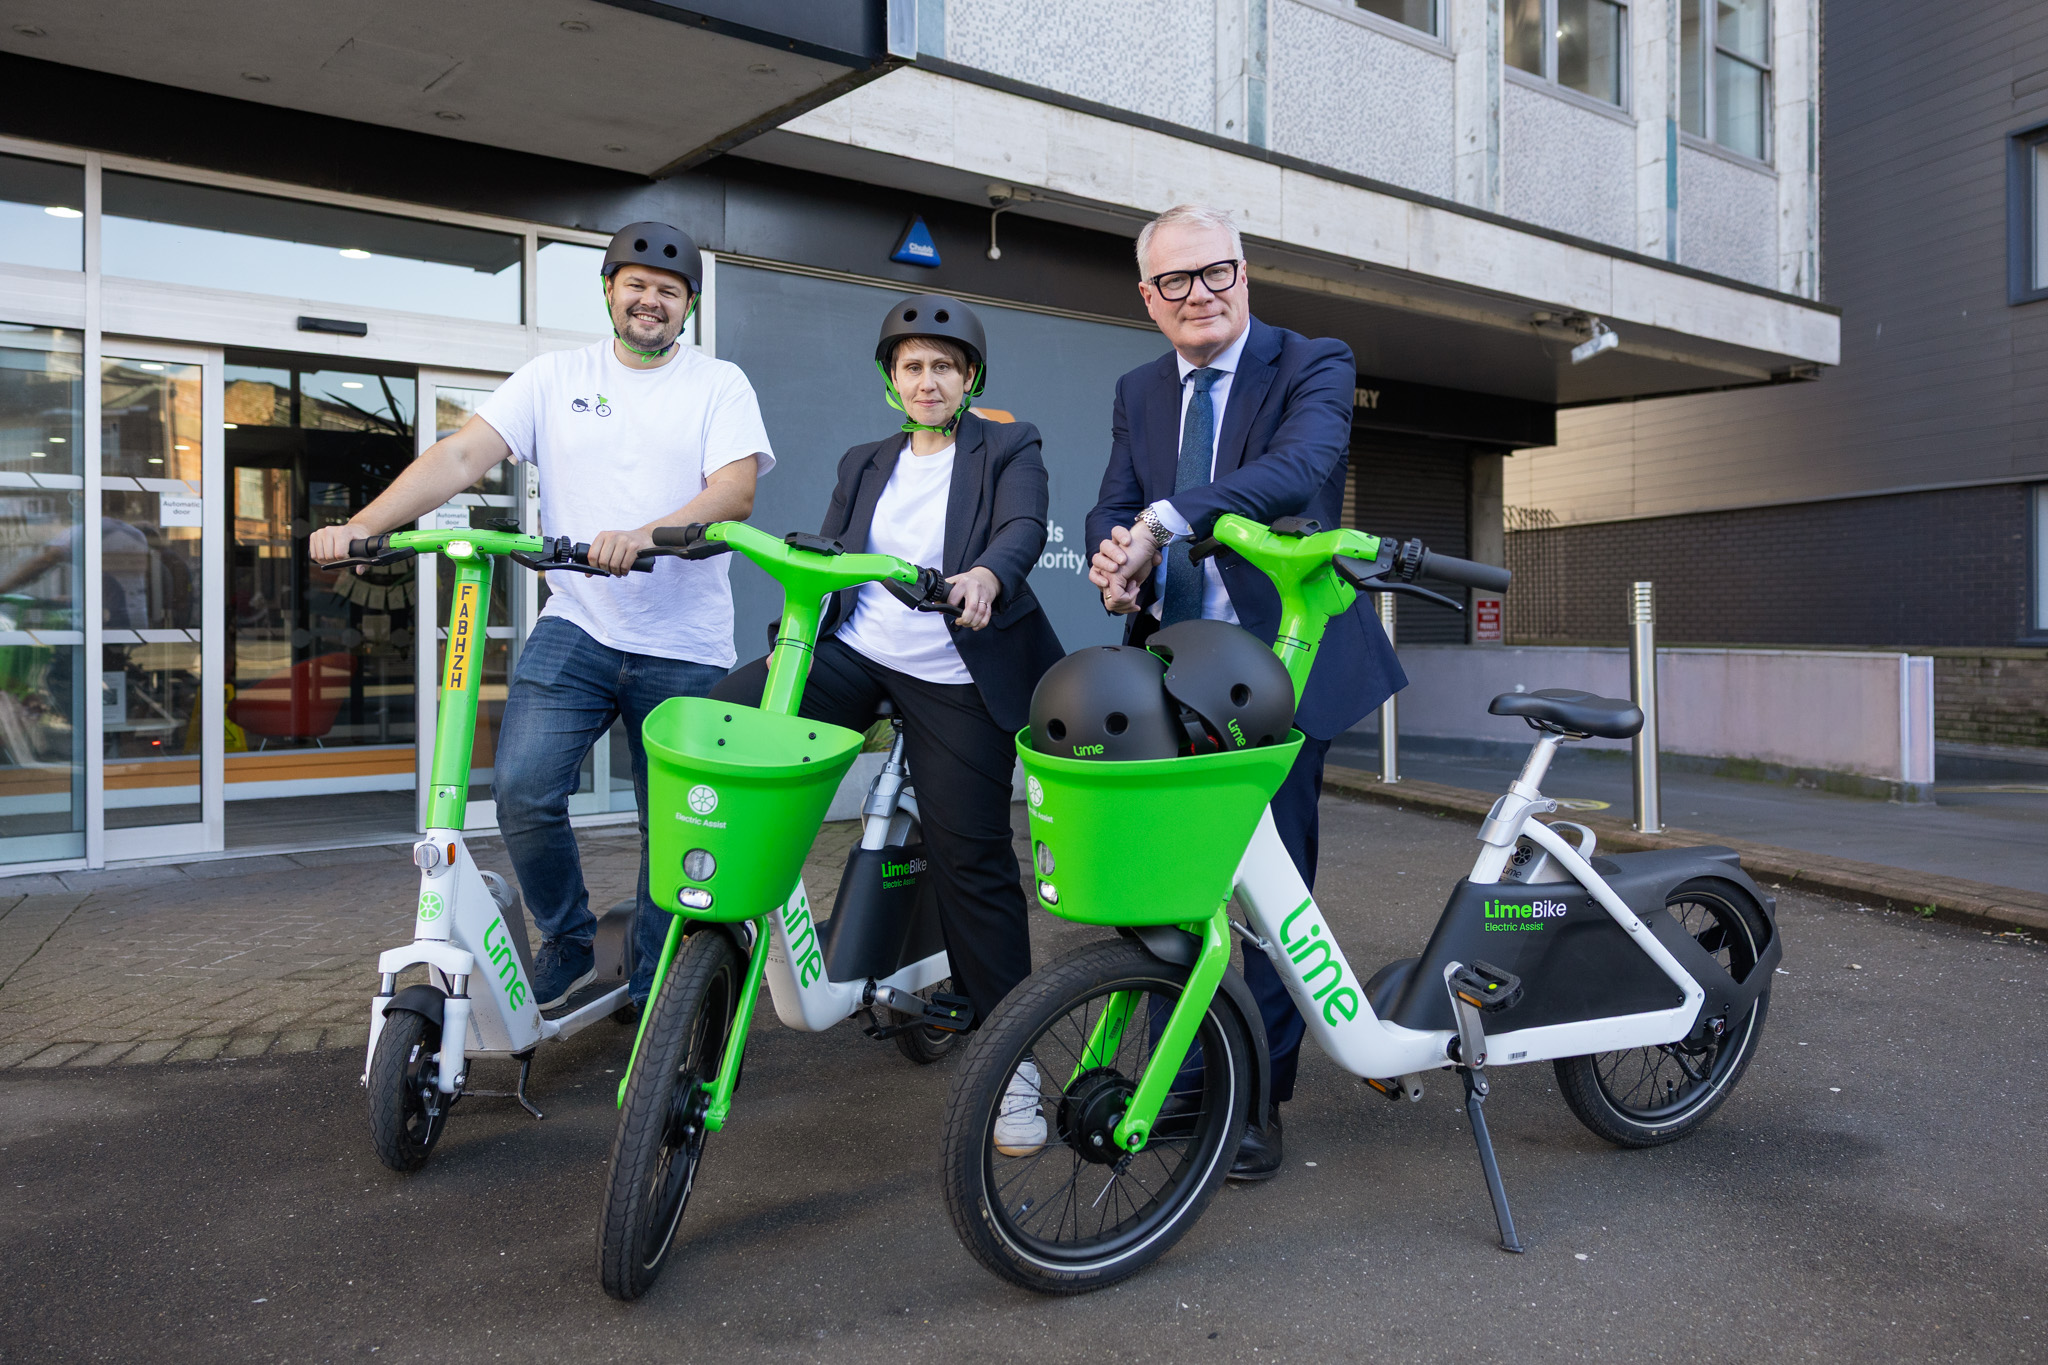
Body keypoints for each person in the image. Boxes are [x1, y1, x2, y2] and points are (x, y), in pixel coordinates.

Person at [309, 222, 773, 1012]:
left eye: (668, 290)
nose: (650, 300)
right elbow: (460, 456)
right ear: (608, 291)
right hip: (581, 624)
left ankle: (656, 980)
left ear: (687, 305)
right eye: (636, 285)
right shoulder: (554, 376)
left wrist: (647, 535)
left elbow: (733, 492)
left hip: (684, 643)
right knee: (522, 787)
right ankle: (567, 936)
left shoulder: (718, 383)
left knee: (671, 826)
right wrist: (368, 525)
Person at [1086, 203, 1405, 1180]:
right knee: (1161, 886)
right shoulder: (1138, 388)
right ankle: (1174, 1084)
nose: (1200, 295)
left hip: (1281, 660)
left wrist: (1169, 519)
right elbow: (1113, 501)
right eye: (1175, 281)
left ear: (1244, 272)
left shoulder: (1313, 362)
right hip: (1167, 666)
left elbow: (1301, 469)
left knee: (1265, 894)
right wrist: (1112, 559)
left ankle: (1254, 1100)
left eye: (1215, 271)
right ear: (1148, 299)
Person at [712, 293, 1062, 1153]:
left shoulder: (1008, 444)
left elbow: (1019, 529)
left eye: (945, 365)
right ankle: (706, 952)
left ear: (970, 377)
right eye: (912, 366)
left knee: (971, 854)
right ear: (891, 381)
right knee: (730, 715)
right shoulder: (866, 459)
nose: (929, 378)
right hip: (860, 652)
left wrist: (985, 575)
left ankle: (1010, 1059)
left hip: (957, 672)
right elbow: (833, 555)